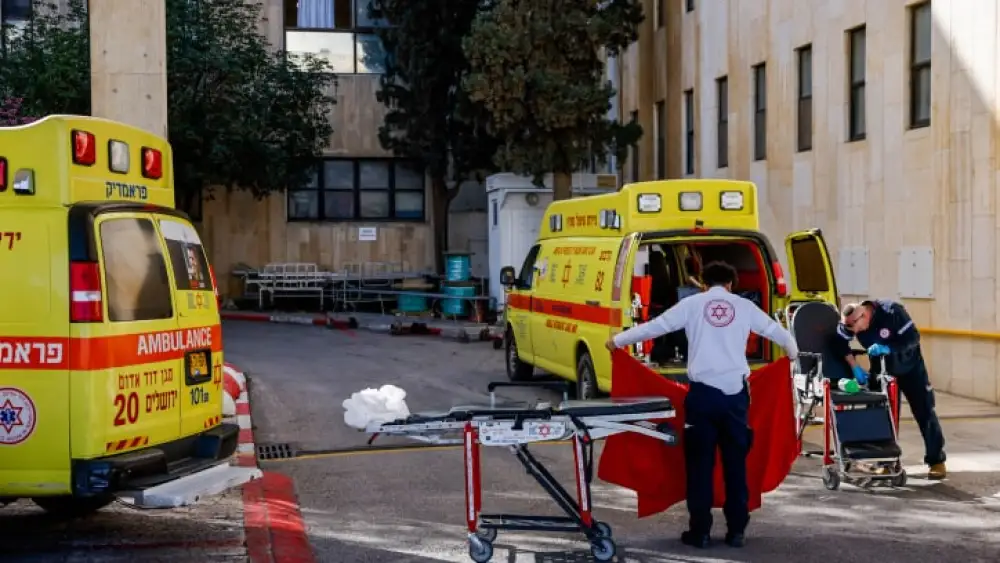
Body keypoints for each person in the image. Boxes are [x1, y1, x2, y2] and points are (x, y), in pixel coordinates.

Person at [605, 261, 799, 549]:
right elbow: (782, 336)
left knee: (700, 466)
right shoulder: (744, 307)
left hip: (702, 398)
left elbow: (656, 327)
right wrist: (791, 357)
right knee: (736, 466)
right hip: (735, 399)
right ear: (731, 284)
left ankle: (701, 532)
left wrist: (617, 341)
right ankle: (736, 531)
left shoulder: (693, 304)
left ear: (704, 284)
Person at [834, 300, 947, 479]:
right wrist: (854, 365)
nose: (854, 333)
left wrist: (889, 348)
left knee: (925, 412)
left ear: (864, 316)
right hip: (882, 372)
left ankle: (936, 461)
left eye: (854, 328)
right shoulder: (850, 323)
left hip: (910, 368)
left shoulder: (892, 312)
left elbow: (913, 338)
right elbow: (840, 342)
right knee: (882, 417)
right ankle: (886, 462)